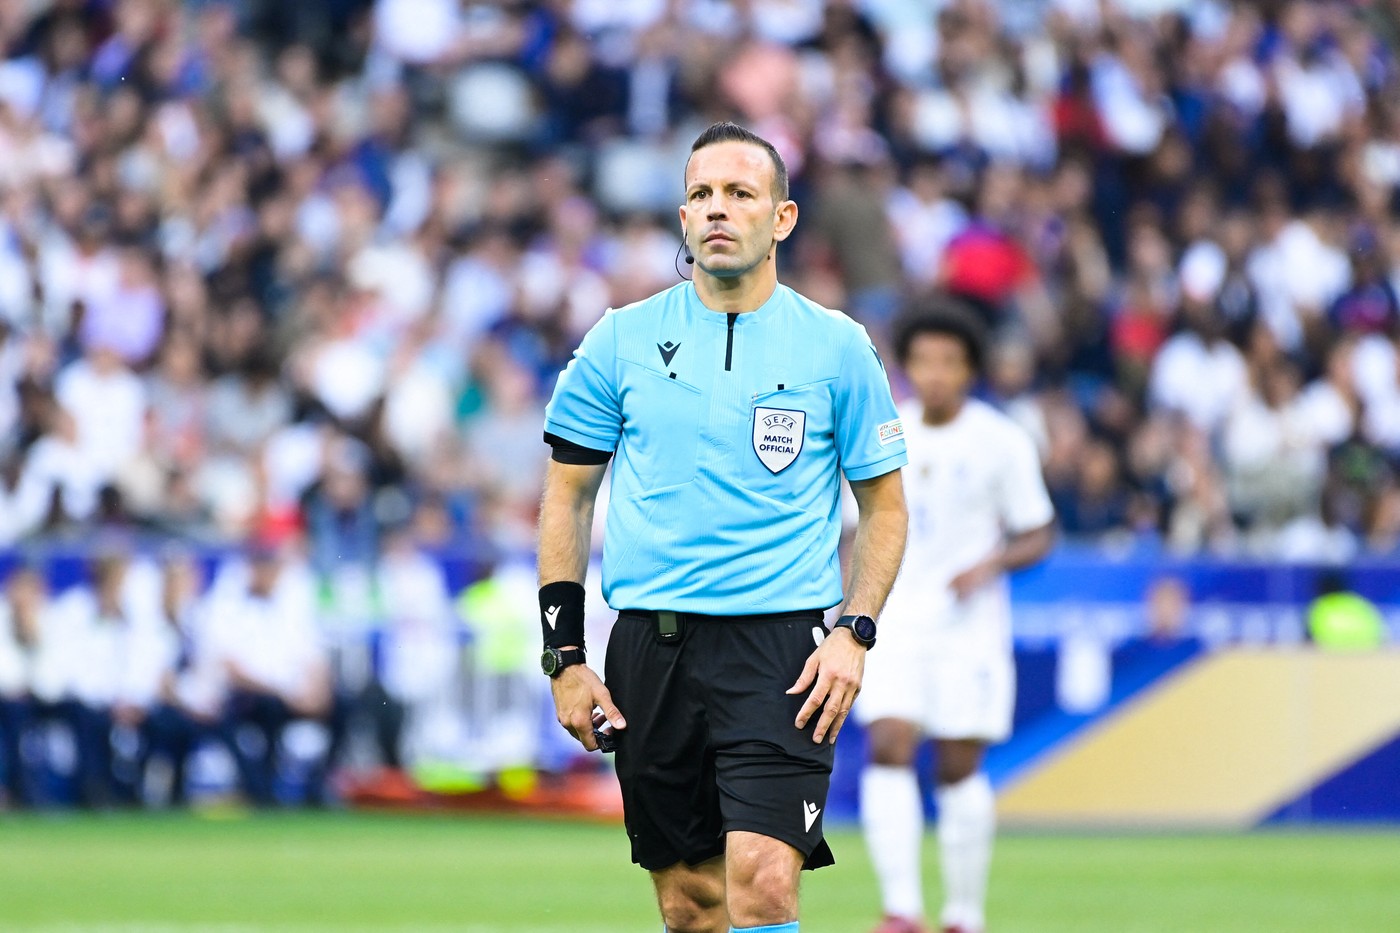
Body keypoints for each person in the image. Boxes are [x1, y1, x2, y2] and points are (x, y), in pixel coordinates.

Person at [537, 121, 909, 933]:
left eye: (740, 193)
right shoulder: (619, 341)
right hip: (651, 650)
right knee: (691, 903)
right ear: (681, 217)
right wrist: (563, 657)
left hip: (782, 653)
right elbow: (566, 498)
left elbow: (884, 507)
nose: (718, 209)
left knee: (764, 879)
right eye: (701, 194)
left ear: (782, 218)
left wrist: (855, 631)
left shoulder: (837, 347)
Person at [855, 299, 1055, 933]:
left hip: (968, 627)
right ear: (908, 366)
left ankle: (964, 913)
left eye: (949, 361)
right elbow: (847, 526)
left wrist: (991, 565)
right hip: (892, 619)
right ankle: (901, 911)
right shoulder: (884, 430)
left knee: (957, 763)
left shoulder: (1001, 440)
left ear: (970, 368)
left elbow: (1038, 531)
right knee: (888, 743)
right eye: (923, 361)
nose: (935, 373)